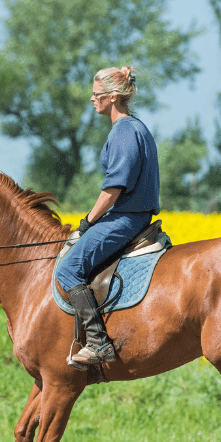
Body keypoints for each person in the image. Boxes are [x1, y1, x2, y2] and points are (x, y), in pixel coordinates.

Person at [54, 65, 161, 367]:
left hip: (126, 218)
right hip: (131, 216)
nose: (92, 99)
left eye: (96, 94)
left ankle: (99, 342)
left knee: (68, 268)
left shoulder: (125, 130)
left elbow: (114, 188)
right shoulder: (136, 127)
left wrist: (88, 221)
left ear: (113, 97)